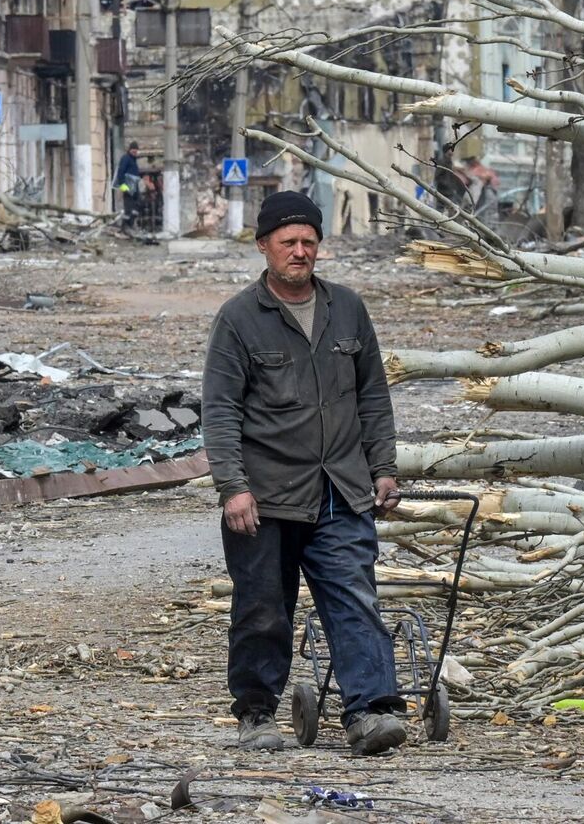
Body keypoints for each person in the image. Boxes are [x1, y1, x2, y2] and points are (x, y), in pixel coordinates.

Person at [201, 190, 408, 756]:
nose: (299, 251)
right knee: (263, 607)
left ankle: (370, 712)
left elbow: (373, 396)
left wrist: (383, 467)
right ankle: (257, 715)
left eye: (309, 242)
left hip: (340, 489)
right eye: (288, 241)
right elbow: (219, 410)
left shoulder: (348, 309)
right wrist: (233, 488)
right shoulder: (240, 319)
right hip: (265, 497)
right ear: (264, 245)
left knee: (354, 598)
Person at [114, 142, 144, 226]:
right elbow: (120, 172)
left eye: (136, 151)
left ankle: (131, 225)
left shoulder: (133, 160)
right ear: (130, 150)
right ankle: (126, 227)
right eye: (133, 151)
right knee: (129, 209)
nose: (135, 153)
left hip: (134, 186)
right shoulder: (126, 158)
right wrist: (123, 185)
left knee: (137, 206)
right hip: (127, 186)